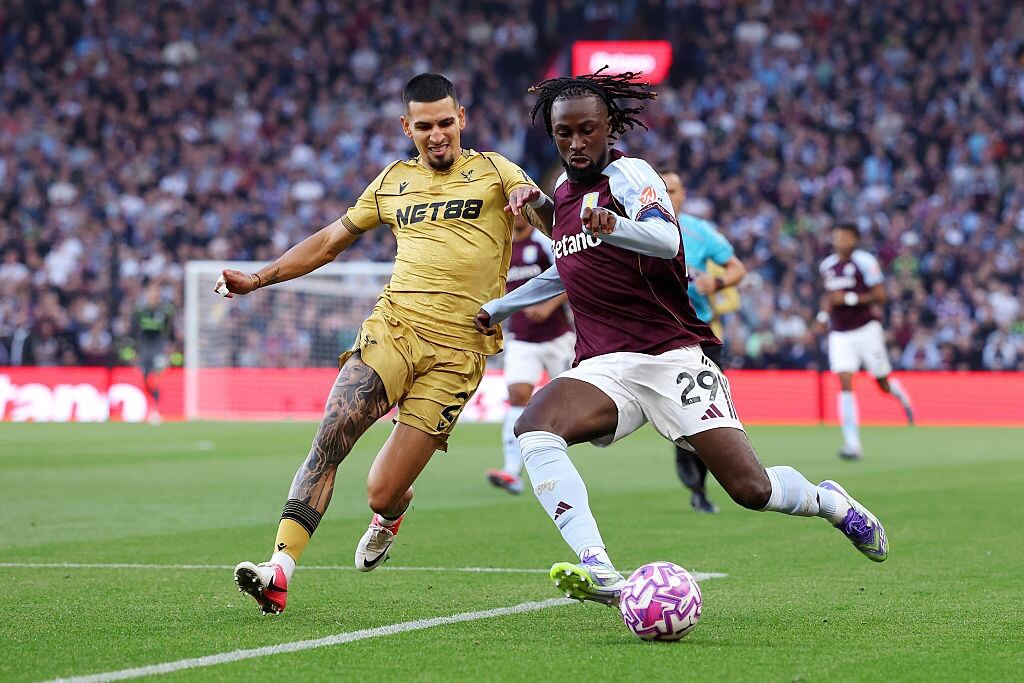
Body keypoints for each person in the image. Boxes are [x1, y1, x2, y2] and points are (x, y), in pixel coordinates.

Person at [474, 70, 888, 607]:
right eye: (563, 133)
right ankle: (599, 568)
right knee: (535, 427)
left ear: (608, 128)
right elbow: (569, 267)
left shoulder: (631, 175)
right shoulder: (562, 194)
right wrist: (499, 307)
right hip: (604, 363)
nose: (576, 143)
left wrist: (614, 226)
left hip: (670, 356)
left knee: (750, 489)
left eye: (587, 130)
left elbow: (667, 239)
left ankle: (829, 502)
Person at [217, 73, 550, 615]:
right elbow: (329, 241)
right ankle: (279, 568)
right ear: (407, 128)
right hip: (394, 328)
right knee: (334, 431)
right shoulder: (392, 181)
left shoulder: (495, 170)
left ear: (461, 119)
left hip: (459, 351)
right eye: (425, 126)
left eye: (446, 122)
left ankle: (390, 515)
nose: (437, 134)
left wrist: (531, 201)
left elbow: (550, 222)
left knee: (381, 490)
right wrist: (258, 279)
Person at [660, 170, 747, 513]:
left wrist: (720, 281)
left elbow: (737, 267)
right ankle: (697, 485)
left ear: (683, 195)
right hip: (657, 333)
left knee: (705, 411)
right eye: (662, 190)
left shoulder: (700, 231)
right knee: (680, 414)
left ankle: (703, 485)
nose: (668, 196)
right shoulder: (635, 230)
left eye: (674, 190)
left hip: (699, 332)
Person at [486, 213, 573, 495]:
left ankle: (564, 456)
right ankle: (512, 472)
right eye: (511, 213)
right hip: (522, 338)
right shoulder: (501, 249)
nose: (516, 218)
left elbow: (572, 274)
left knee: (574, 400)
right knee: (517, 397)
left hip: (558, 337)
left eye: (522, 213)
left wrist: (548, 307)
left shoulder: (544, 243)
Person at [816, 223, 914, 459]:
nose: (840, 240)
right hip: (840, 333)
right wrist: (822, 316)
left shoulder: (865, 262)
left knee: (882, 383)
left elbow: (881, 296)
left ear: (855, 240)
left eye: (846, 237)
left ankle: (900, 393)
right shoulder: (827, 266)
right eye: (837, 235)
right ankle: (852, 444)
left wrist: (849, 298)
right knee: (845, 381)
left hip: (866, 329)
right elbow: (829, 297)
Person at [133, 282, 176, 425]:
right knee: (145, 380)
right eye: (152, 292)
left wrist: (170, 349)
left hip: (159, 349)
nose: (154, 295)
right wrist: (134, 351)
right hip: (144, 350)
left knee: (156, 378)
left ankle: (156, 410)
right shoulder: (140, 311)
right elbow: (133, 332)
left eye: (157, 293)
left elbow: (171, 332)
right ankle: (152, 406)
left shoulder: (166, 311)